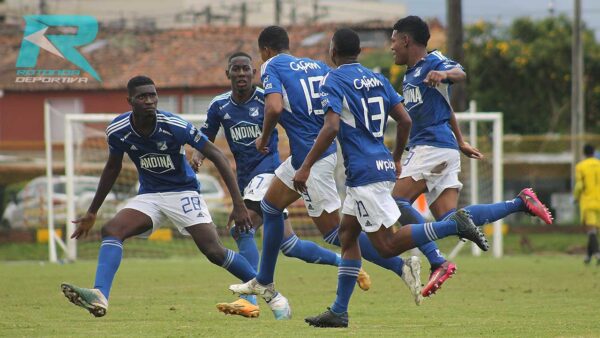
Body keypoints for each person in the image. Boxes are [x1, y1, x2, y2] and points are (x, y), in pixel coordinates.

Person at [299, 28, 554, 328]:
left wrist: (305, 167)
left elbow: (330, 127)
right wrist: (395, 157)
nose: (392, 46)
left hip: (386, 165)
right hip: (383, 164)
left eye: (394, 40)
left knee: (387, 244)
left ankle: (445, 240)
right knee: (347, 235)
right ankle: (339, 311)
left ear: (333, 51)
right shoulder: (380, 79)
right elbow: (407, 118)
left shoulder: (337, 79)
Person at [60, 75, 289, 320]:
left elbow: (217, 155)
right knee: (112, 229)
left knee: (214, 251)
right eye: (142, 97)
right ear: (130, 101)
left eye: (153, 95)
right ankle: (100, 294)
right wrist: (92, 211)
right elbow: (112, 168)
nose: (149, 101)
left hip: (183, 193)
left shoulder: (174, 125)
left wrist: (238, 204)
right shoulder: (118, 130)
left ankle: (271, 294)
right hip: (149, 195)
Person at [228, 25, 423, 312]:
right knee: (269, 206)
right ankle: (264, 281)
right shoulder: (317, 66)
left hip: (312, 158)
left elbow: (274, 108)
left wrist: (263, 136)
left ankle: (400, 266)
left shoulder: (271, 65)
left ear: (264, 51)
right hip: (308, 155)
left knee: (337, 235)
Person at [389, 16, 553, 297]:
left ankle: (436, 259)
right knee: (452, 220)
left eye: (393, 41)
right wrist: (462, 140)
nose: (391, 47)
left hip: (431, 148)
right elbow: (446, 105)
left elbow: (460, 73)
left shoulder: (434, 62)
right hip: (442, 148)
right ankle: (519, 202)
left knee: (394, 201)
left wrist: (445, 75)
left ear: (406, 40)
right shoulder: (409, 74)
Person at [190, 52, 356, 318]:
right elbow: (206, 136)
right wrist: (198, 155)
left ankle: (251, 299)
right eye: (237, 69)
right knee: (290, 246)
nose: (242, 74)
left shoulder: (267, 99)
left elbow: (291, 117)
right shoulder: (219, 105)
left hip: (270, 172)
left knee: (242, 229)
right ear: (228, 74)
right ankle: (345, 263)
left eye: (247, 69)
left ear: (254, 73)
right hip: (245, 179)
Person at [574, 144, 600, 264]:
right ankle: (588, 257)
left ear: (584, 153)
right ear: (594, 152)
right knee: (595, 230)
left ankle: (597, 254)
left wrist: (575, 197)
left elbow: (579, 185)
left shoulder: (581, 166)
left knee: (590, 229)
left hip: (588, 201)